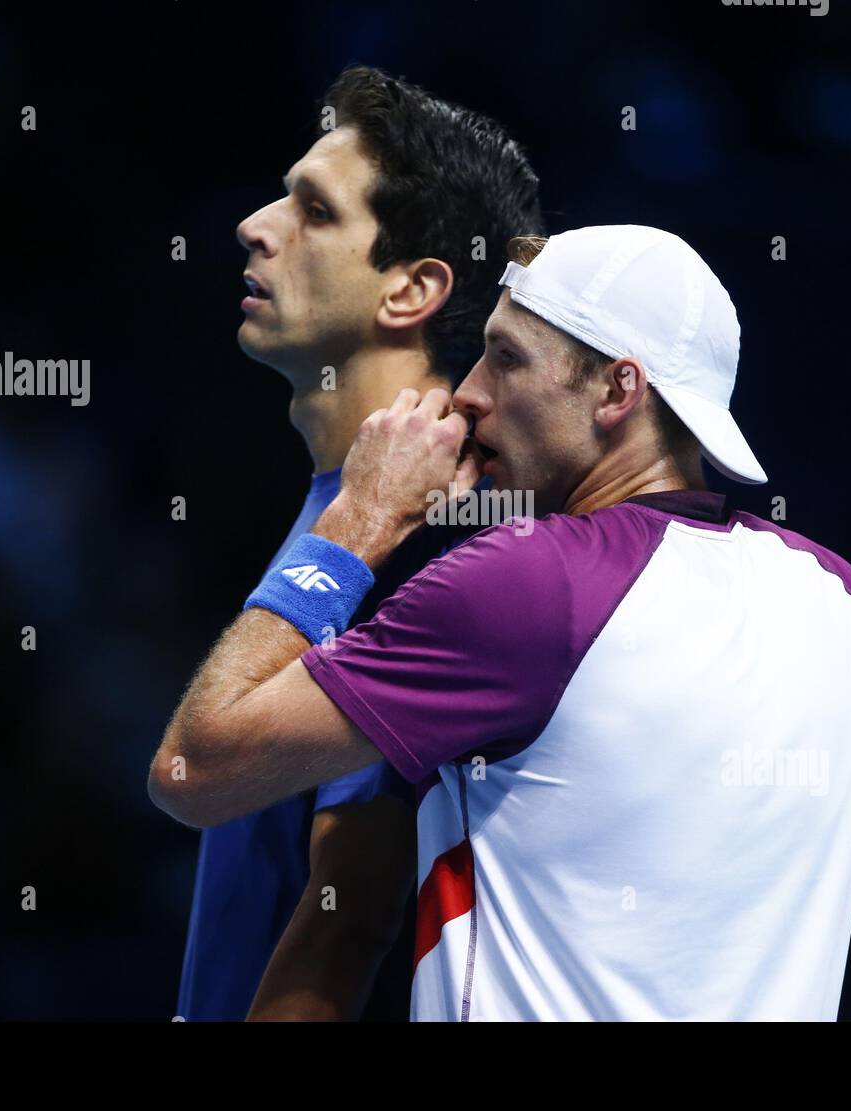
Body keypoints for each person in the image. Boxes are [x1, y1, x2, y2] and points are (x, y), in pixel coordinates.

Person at [152, 225, 851, 1021]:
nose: (466, 393)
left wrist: (358, 520)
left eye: (505, 358)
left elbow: (196, 768)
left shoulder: (526, 583)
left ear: (618, 388)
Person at [174, 64, 542, 1022]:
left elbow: (350, 916)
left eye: (314, 211)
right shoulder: (352, 504)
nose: (257, 225)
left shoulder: (441, 530)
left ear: (412, 289)